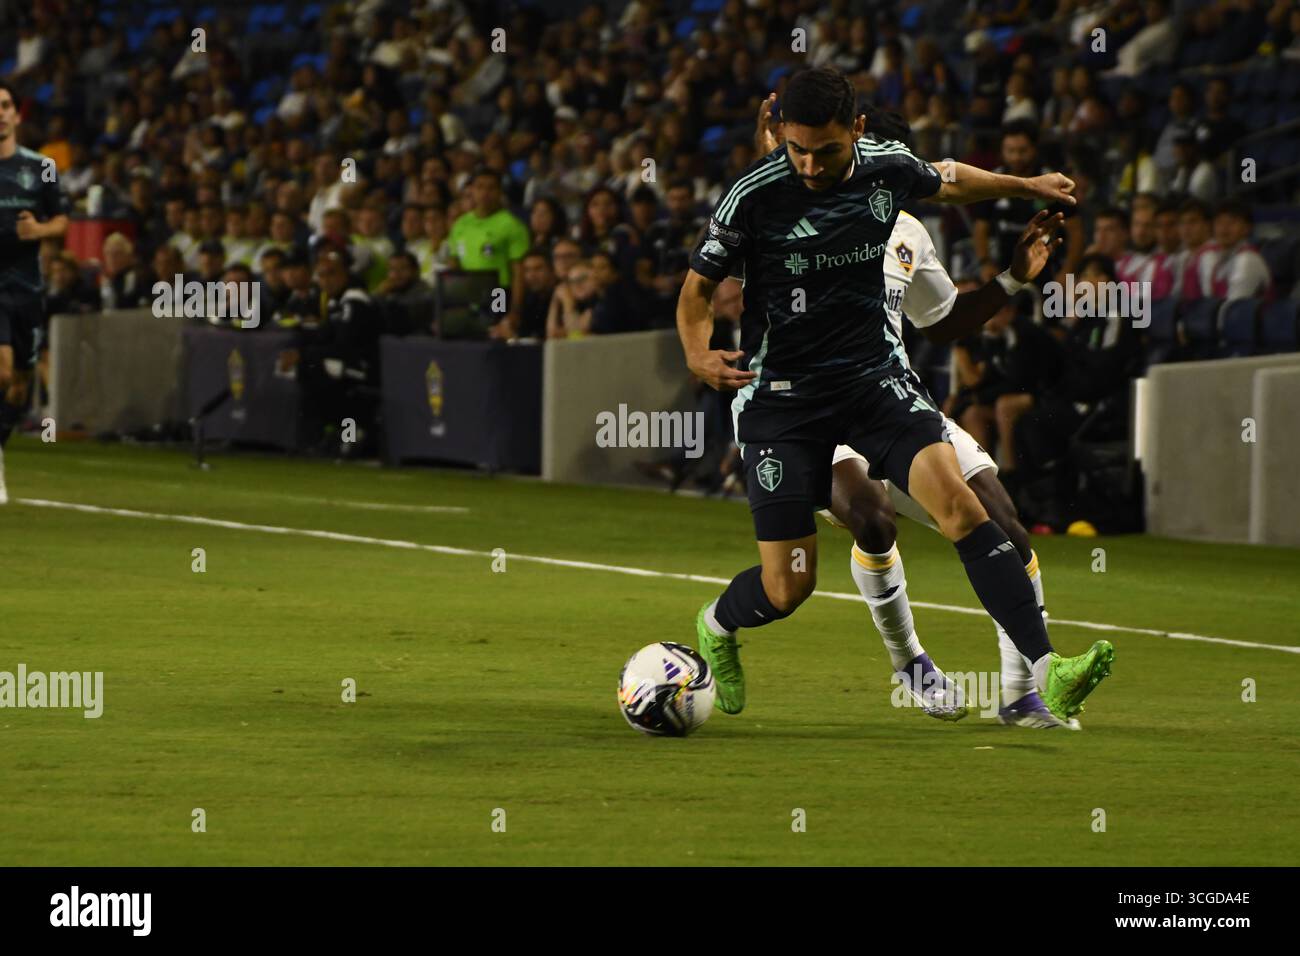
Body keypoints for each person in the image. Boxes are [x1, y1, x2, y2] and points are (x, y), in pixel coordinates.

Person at [678, 68, 1112, 724]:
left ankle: (1046, 675)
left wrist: (1027, 185)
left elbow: (953, 181)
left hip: (872, 382)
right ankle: (717, 624)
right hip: (783, 400)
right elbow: (695, 292)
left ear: (856, 130)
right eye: (795, 149)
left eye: (824, 150)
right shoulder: (753, 196)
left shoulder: (888, 172)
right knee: (788, 584)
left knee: (966, 510)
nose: (810, 165)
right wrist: (695, 353)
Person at [0, 81, 70, 504]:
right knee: (2, 371)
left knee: (21, 384)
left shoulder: (42, 166)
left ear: (17, 115)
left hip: (27, 287)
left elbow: (62, 220)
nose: (0, 113)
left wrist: (39, 229)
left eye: (5, 106)